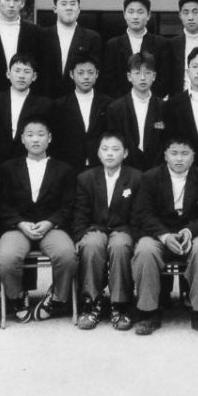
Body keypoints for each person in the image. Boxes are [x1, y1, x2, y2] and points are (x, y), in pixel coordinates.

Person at [131, 135, 198, 336]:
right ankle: (148, 313)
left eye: (185, 153)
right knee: (145, 250)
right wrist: (164, 235)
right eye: (174, 153)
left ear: (193, 156)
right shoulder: (150, 177)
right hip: (158, 233)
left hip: (192, 232)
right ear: (165, 156)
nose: (179, 158)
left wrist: (190, 231)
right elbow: (143, 213)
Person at [0, 117, 78, 323]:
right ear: (22, 139)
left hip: (51, 227)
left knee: (67, 255)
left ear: (49, 138)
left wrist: (50, 222)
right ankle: (17, 297)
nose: (35, 139)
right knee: (6, 257)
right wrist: (20, 223)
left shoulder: (64, 169)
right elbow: (2, 204)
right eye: (30, 135)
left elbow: (68, 205)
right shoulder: (8, 168)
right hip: (18, 227)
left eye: (41, 135)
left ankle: (56, 298)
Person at [72, 132, 142, 331]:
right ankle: (91, 302)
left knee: (120, 246)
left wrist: (134, 236)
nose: (110, 153)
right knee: (91, 244)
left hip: (123, 229)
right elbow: (80, 212)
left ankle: (120, 304)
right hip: (96, 227)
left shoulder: (136, 177)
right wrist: (79, 236)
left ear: (125, 153)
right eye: (105, 149)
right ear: (98, 153)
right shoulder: (86, 178)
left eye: (115, 149)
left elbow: (139, 213)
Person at [0, 53, 52, 163]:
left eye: (26, 71)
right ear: (8, 74)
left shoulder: (44, 105)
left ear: (34, 76)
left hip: (28, 163)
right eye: (17, 71)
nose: (21, 76)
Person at [106, 51, 168, 172]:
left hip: (157, 171)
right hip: (124, 170)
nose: (143, 78)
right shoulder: (116, 108)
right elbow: (114, 143)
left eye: (147, 73)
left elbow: (166, 143)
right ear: (129, 76)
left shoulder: (164, 107)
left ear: (154, 76)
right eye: (137, 73)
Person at [51, 53, 112, 174]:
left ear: (97, 74)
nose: (86, 77)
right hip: (69, 165)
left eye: (90, 72)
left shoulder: (108, 103)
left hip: (100, 164)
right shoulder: (59, 105)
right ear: (71, 74)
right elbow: (56, 140)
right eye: (80, 73)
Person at [102, 0, 168, 98]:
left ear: (148, 15)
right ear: (124, 14)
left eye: (140, 12)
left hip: (152, 102)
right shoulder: (113, 45)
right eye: (131, 12)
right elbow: (109, 80)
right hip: (121, 103)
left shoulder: (161, 44)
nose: (135, 16)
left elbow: (164, 78)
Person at [41, 0, 102, 98]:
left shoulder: (92, 37)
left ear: (79, 9)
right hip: (46, 97)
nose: (68, 8)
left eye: (72, 4)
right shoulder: (42, 35)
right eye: (64, 4)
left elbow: (95, 72)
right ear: (55, 9)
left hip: (78, 98)